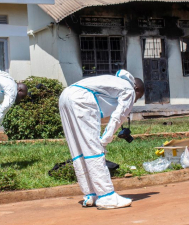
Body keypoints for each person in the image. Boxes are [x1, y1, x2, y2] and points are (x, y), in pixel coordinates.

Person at [59, 70, 145, 210]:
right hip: (82, 100)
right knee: (94, 150)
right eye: (138, 97)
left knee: (78, 148)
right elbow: (118, 117)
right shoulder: (129, 90)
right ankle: (106, 196)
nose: (135, 100)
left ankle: (91, 193)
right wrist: (104, 140)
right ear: (137, 89)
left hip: (65, 95)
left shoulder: (113, 82)